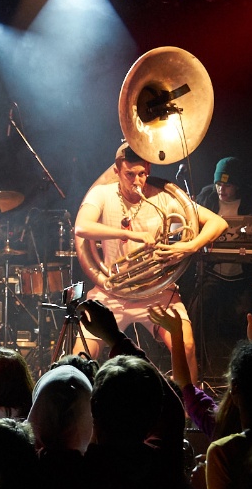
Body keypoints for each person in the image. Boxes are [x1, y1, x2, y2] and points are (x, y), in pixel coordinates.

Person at [73, 142, 226, 376]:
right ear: (116, 171)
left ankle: (191, 410)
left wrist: (189, 246)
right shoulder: (102, 193)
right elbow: (82, 227)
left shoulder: (164, 198)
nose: (137, 181)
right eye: (129, 174)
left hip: (157, 290)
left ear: (149, 169)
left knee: (186, 346)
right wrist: (129, 233)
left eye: (142, 174)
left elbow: (218, 222)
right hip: (112, 290)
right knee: (81, 355)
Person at [188, 155, 252, 381]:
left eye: (227, 185)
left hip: (241, 276)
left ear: (238, 185)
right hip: (212, 272)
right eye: (219, 184)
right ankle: (203, 366)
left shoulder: (250, 200)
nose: (221, 190)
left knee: (246, 316)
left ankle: (244, 371)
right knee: (198, 310)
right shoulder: (207, 196)